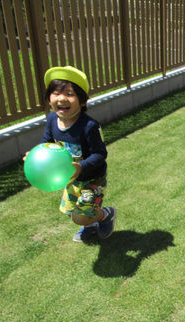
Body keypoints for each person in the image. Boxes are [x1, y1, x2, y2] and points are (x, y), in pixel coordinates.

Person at [34, 66, 116, 242]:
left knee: (79, 216)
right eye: (56, 93)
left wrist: (81, 167)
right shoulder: (51, 120)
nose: (62, 98)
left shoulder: (89, 126)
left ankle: (105, 215)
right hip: (71, 178)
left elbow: (100, 154)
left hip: (93, 179)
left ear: (83, 101)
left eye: (69, 94)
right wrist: (36, 155)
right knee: (70, 211)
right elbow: (47, 143)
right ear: (49, 99)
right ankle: (90, 225)